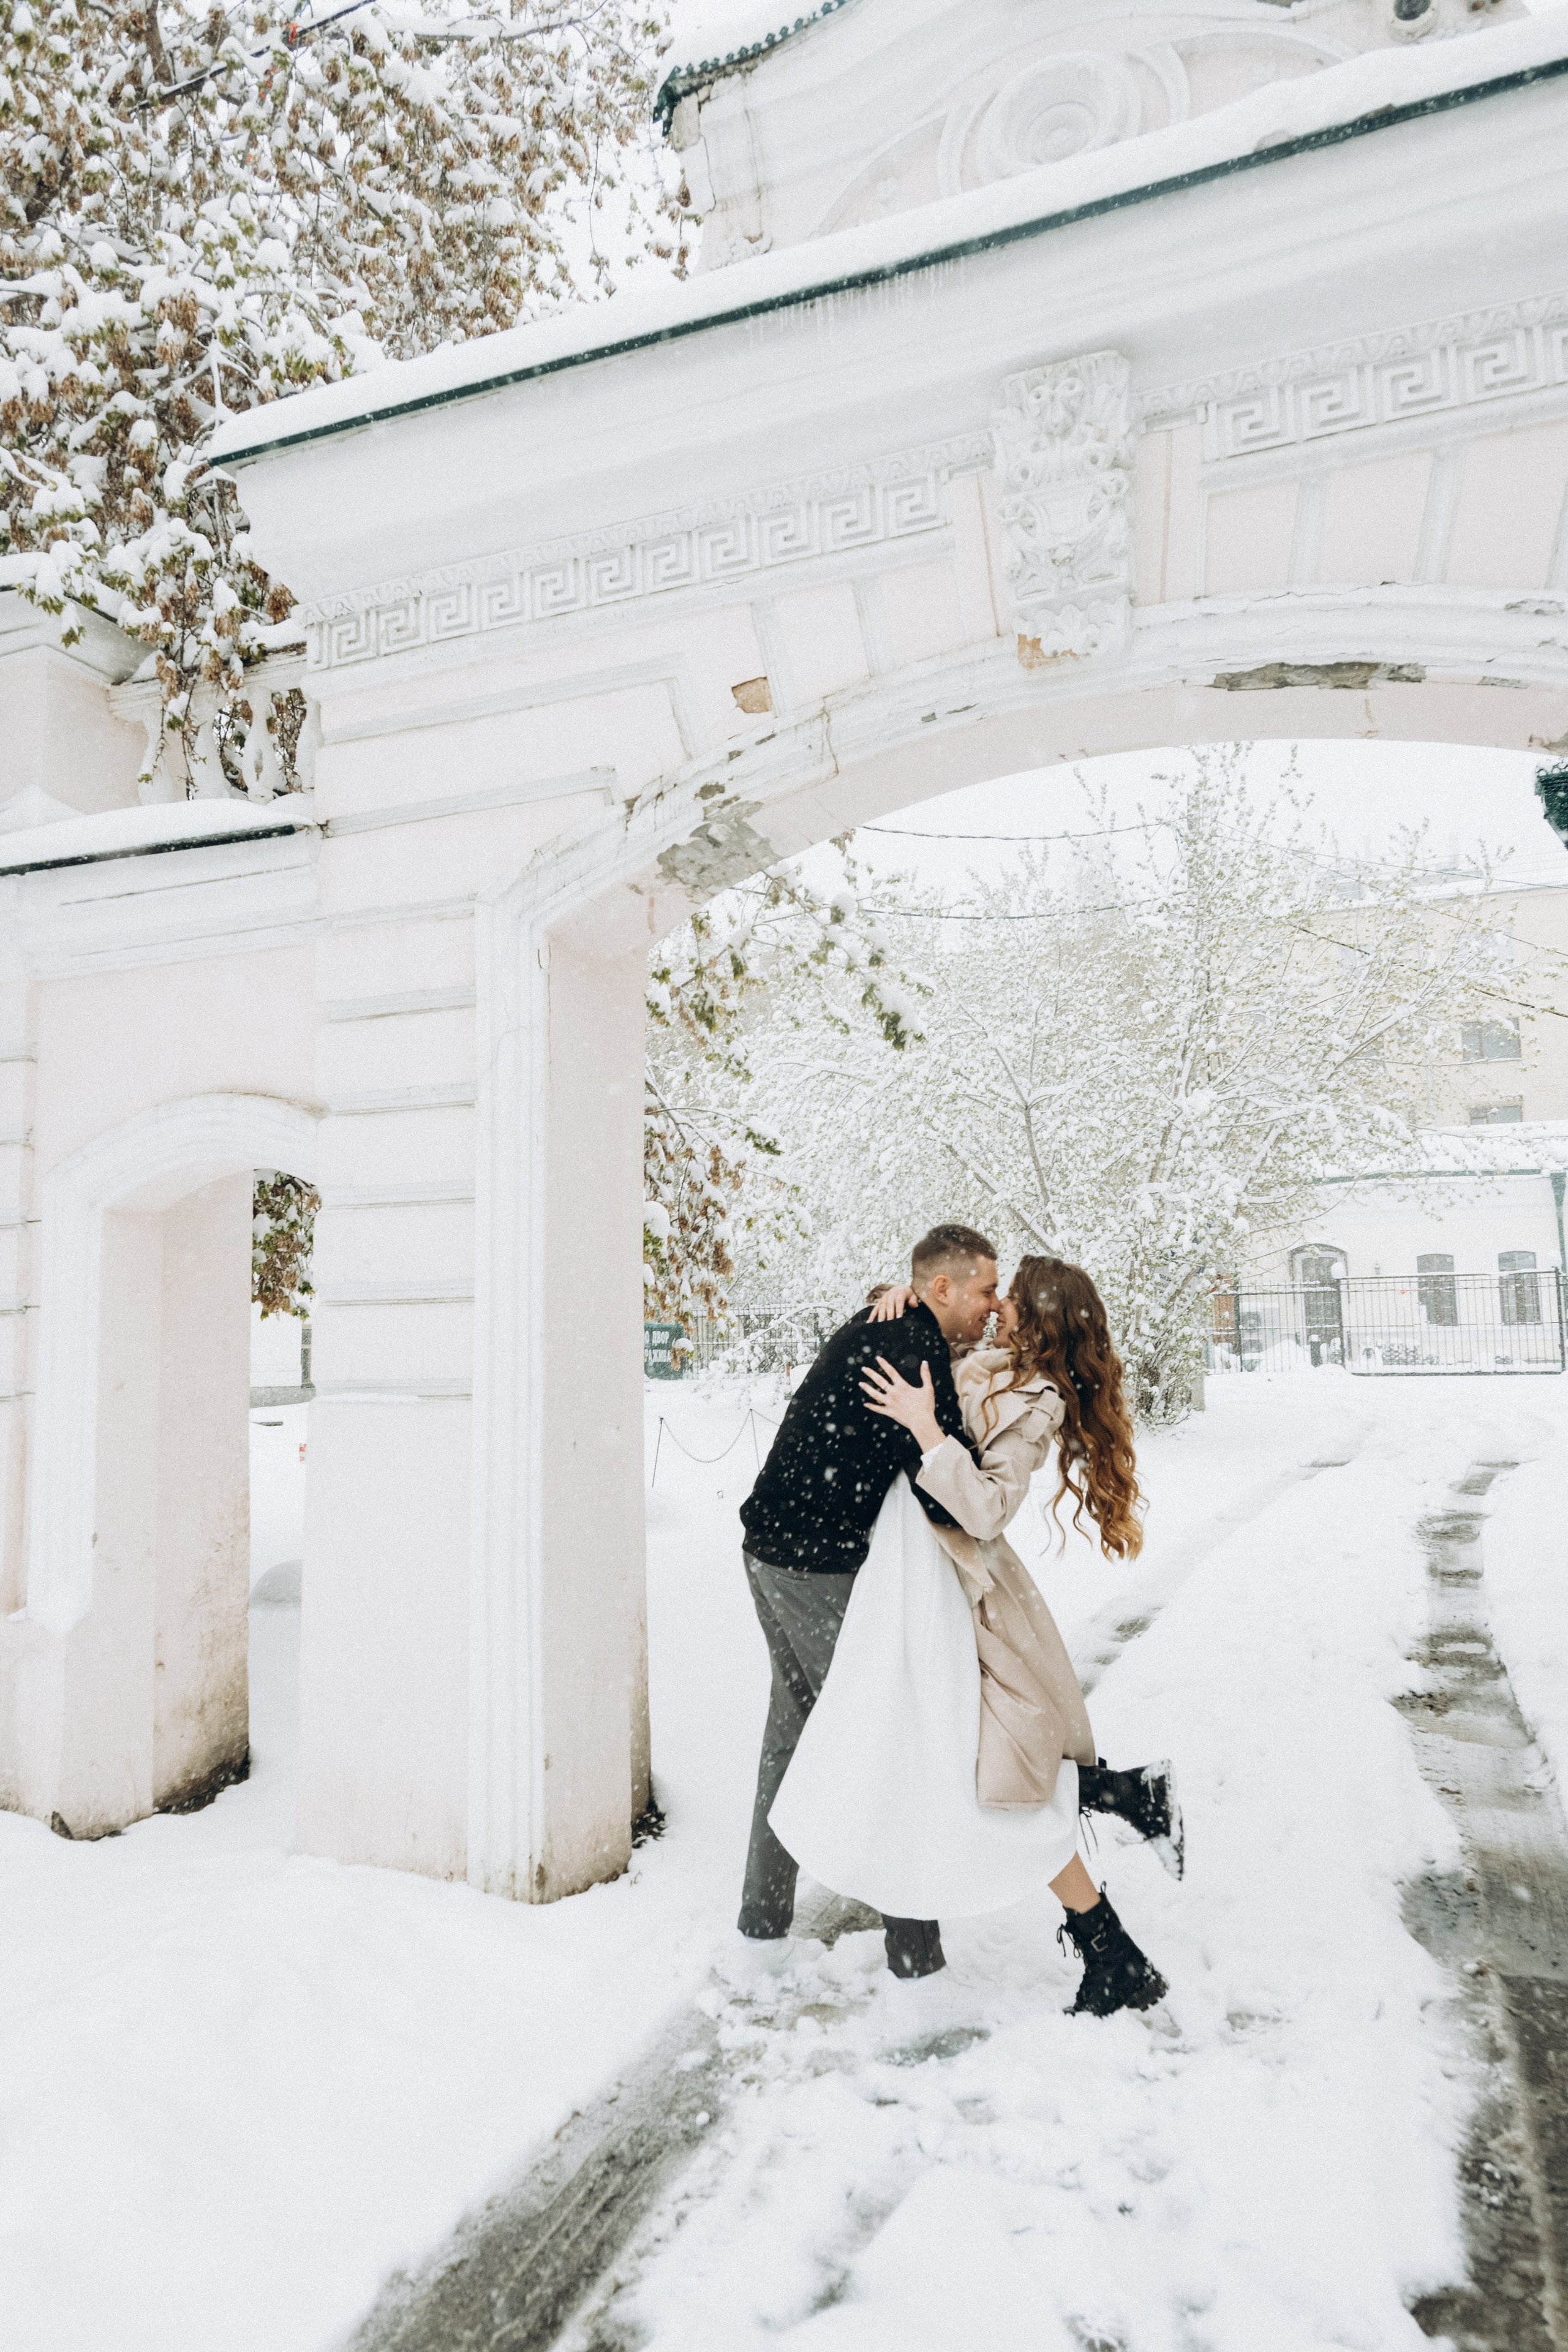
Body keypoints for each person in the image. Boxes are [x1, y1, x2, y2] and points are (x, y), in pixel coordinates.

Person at [769, 1254, 1175, 2018]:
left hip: (956, 1591)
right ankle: (1118, 1841)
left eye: (1010, 1300)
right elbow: (927, 1332)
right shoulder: (980, 1356)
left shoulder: (1039, 1399)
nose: (996, 1308)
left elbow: (985, 1509)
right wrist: (901, 1297)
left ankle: (1111, 1931)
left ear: (1039, 1318)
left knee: (982, 1777)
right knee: (979, 1772)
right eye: (994, 1295)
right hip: (904, 1575)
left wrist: (927, 1432)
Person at [736, 1225, 1001, 1980]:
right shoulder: (912, 1350)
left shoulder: (886, 1323)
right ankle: (916, 1960)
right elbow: (954, 1489)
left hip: (768, 1545)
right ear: (942, 1288)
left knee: (793, 1731)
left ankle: (761, 1925)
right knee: (887, 1743)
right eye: (985, 1290)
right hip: (812, 1564)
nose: (993, 1305)